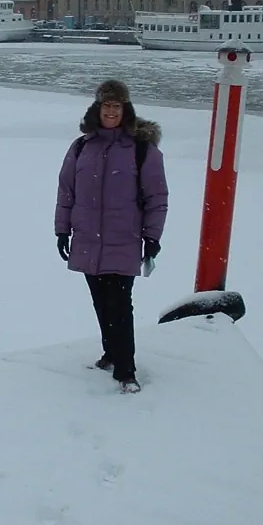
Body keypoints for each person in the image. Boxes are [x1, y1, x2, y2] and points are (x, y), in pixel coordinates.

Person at [54, 80, 169, 393]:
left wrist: (152, 237)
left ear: (125, 109)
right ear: (98, 108)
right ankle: (110, 352)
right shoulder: (81, 147)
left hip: (123, 240)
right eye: (106, 105)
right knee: (100, 303)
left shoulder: (142, 150)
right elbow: (67, 192)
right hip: (88, 240)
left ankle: (126, 370)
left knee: (119, 304)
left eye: (117, 106)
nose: (111, 111)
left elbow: (156, 197)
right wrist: (62, 229)